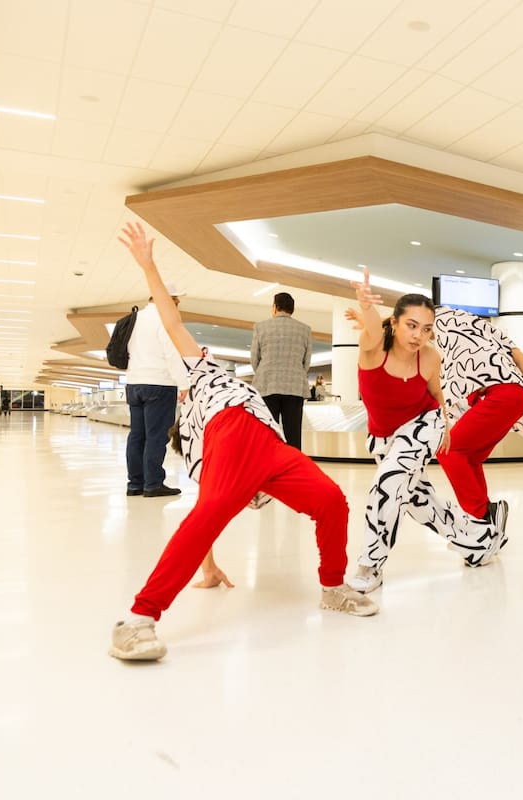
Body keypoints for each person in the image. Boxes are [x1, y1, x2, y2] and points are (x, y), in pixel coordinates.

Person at [108, 223, 375, 662]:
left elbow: (174, 323)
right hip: (231, 437)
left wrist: (149, 264)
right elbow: (204, 515)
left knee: (331, 499)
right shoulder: (199, 428)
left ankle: (333, 587)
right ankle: (138, 619)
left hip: (269, 445)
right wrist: (148, 268)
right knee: (210, 513)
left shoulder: (204, 371)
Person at [344, 269, 508, 594]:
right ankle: (479, 540)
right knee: (417, 501)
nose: (419, 335)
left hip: (424, 424)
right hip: (383, 438)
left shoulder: (430, 357)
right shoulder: (374, 349)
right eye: (412, 325)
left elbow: (435, 392)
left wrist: (444, 424)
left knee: (388, 487)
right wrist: (366, 308)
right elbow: (370, 332)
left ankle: (370, 564)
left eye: (427, 328)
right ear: (394, 322)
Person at [432, 305, 523, 522]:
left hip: (501, 396)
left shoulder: (441, 322)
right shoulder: (485, 328)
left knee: (448, 450)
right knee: (470, 456)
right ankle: (481, 518)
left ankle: (483, 516)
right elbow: (522, 357)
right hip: (515, 396)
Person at [124, 277, 189, 498]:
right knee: (156, 436)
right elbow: (171, 353)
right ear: (169, 299)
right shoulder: (164, 319)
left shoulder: (135, 318)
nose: (177, 304)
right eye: (176, 300)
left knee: (136, 435)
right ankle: (153, 483)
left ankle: (135, 484)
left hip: (134, 383)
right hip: (159, 384)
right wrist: (184, 383)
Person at [250, 291, 312, 449]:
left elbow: (254, 359)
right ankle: (293, 469)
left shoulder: (260, 327)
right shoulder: (305, 329)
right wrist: (296, 373)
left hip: (267, 385)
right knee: (293, 434)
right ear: (292, 309)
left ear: (275, 307)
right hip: (295, 387)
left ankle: (267, 468)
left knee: (267, 432)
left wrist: (265, 372)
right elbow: (306, 361)